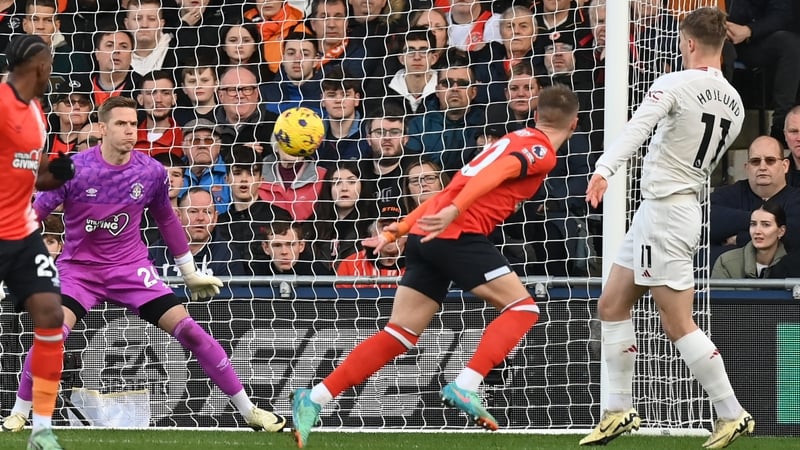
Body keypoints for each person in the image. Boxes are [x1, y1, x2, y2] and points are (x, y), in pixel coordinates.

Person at [289, 83, 579, 447]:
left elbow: (447, 191)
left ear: (536, 114)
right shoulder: (540, 151)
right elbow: (498, 174)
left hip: (427, 236)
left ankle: (314, 398)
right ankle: (467, 385)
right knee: (523, 308)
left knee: (399, 334)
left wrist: (397, 230)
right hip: (459, 233)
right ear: (575, 124)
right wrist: (456, 213)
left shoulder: (508, 139)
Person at [1, 96, 286, 437]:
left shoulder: (150, 172)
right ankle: (19, 412)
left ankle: (249, 410)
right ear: (103, 128)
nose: (130, 130)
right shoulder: (73, 169)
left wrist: (189, 272)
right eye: (121, 123)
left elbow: (166, 219)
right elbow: (34, 216)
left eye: (134, 123)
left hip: (131, 270)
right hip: (80, 271)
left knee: (191, 332)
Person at [580, 8, 753, 449]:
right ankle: (618, 410)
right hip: (665, 210)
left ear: (690, 43)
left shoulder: (675, 83)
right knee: (612, 305)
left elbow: (636, 130)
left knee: (677, 323)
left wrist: (603, 170)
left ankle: (732, 414)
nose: (678, 48)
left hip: (667, 213)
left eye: (680, 42)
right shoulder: (733, 101)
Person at [0, 34, 75, 450]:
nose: (53, 72)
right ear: (40, 67)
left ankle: (41, 430)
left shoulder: (36, 112)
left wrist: (58, 170)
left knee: (50, 314)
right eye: (50, 64)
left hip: (24, 232)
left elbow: (31, 172)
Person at [712, 201, 786, 279]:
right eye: (753, 224)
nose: (757, 231)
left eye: (766, 225)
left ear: (781, 231)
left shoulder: (793, 264)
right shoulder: (726, 262)